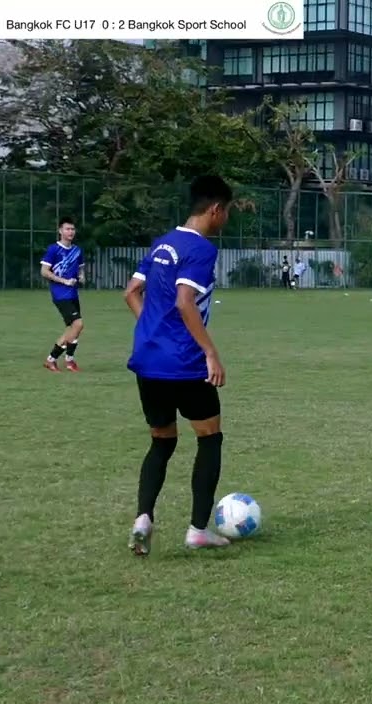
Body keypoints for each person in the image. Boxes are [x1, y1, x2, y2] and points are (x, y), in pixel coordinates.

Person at [122, 175, 233, 556]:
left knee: (162, 442)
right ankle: (198, 529)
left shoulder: (162, 243)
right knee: (210, 437)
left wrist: (154, 331)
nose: (226, 219)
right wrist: (210, 352)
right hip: (184, 364)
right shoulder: (201, 249)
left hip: (148, 361)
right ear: (215, 209)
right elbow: (186, 301)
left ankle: (143, 517)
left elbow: (131, 292)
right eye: (227, 212)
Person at [39, 218, 85, 372]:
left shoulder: (77, 250)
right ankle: (61, 359)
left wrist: (81, 277)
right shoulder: (53, 249)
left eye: (72, 229)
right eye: (67, 229)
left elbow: (80, 269)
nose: (70, 232)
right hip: (60, 294)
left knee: (72, 329)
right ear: (60, 231)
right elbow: (44, 272)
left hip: (73, 293)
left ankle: (59, 360)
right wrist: (63, 281)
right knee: (78, 324)